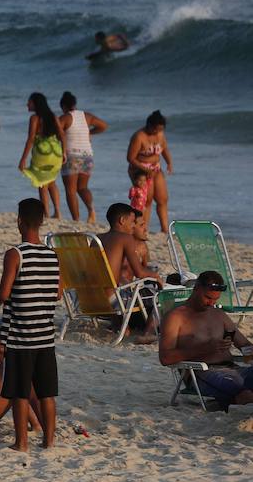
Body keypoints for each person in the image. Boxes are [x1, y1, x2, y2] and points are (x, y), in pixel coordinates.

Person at [0, 198, 62, 451]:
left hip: (20, 336)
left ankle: (21, 442)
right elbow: (58, 293)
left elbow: (4, 293)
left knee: (20, 392)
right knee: (47, 392)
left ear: (19, 221)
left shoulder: (15, 254)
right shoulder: (52, 255)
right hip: (45, 336)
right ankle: (48, 441)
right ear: (41, 221)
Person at [159, 271, 253, 411]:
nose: (211, 303)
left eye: (215, 300)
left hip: (234, 369)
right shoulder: (176, 317)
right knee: (246, 394)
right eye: (208, 297)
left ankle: (226, 402)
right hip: (202, 373)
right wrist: (206, 348)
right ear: (196, 288)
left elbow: (244, 345)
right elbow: (165, 358)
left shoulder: (218, 315)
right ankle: (233, 400)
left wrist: (250, 352)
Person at [97, 202, 161, 341]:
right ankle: (148, 333)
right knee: (160, 296)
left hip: (91, 299)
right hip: (112, 301)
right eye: (132, 222)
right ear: (122, 221)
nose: (133, 226)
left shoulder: (97, 239)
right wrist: (157, 277)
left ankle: (119, 326)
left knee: (116, 286)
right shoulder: (125, 238)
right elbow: (140, 273)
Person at [58, 92, 108, 223]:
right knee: (83, 187)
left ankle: (76, 219)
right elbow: (103, 126)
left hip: (71, 156)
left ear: (63, 106)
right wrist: (89, 132)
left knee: (71, 190)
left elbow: (56, 134)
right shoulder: (87, 116)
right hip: (87, 156)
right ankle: (91, 210)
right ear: (74, 104)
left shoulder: (64, 118)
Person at [19, 92, 65, 219]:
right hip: (55, 153)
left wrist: (23, 158)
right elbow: (62, 135)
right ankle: (57, 211)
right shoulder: (53, 116)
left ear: (36, 103)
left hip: (42, 153)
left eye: (29, 102)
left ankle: (46, 214)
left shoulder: (35, 118)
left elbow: (31, 138)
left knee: (42, 184)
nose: (27, 104)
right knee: (52, 182)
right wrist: (64, 152)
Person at [126, 110, 173, 234]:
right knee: (147, 200)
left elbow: (164, 149)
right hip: (140, 170)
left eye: (160, 129)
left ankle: (164, 229)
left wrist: (169, 162)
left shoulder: (160, 135)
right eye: (156, 129)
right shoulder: (139, 136)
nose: (157, 132)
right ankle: (143, 227)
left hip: (156, 168)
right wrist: (145, 169)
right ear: (149, 125)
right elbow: (130, 158)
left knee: (162, 198)